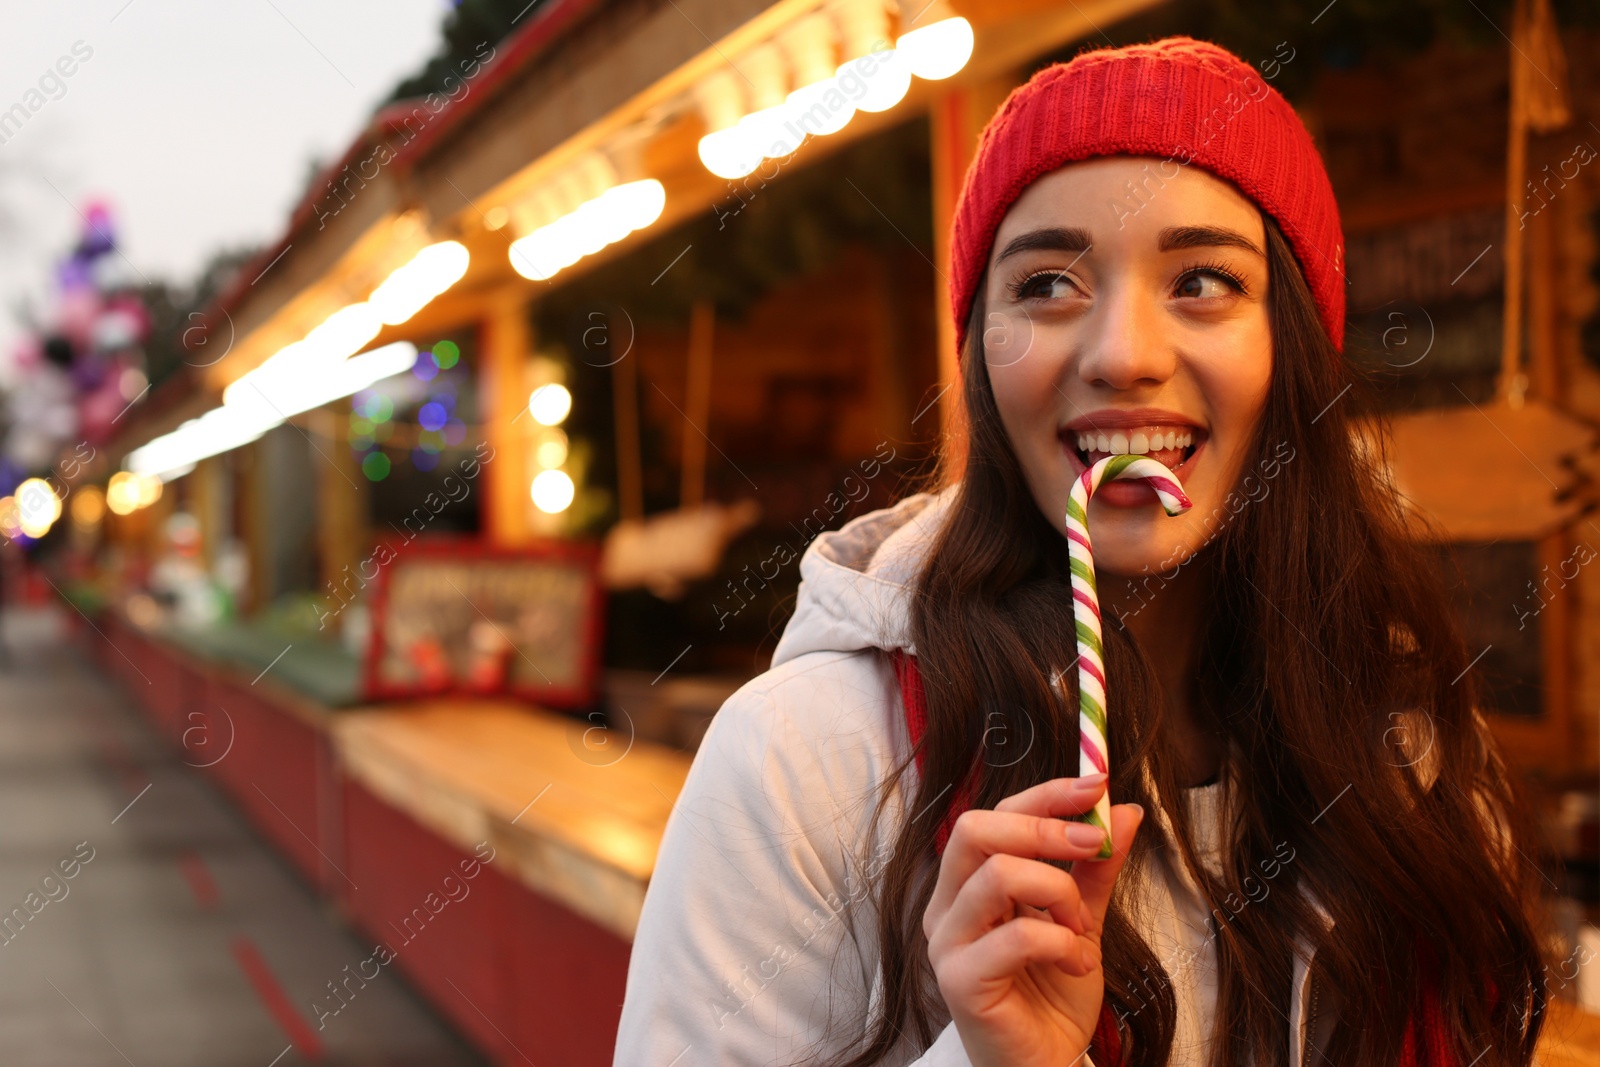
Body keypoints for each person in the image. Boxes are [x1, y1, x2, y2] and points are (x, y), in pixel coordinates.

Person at [613, 37, 1547, 1067]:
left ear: (1292, 347)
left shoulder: (1405, 747)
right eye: (1047, 285)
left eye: (1201, 279)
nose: (1121, 354)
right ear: (978, 358)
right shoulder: (804, 760)